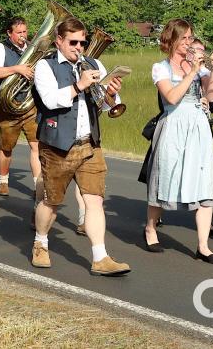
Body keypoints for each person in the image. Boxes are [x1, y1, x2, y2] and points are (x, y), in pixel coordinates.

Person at [30, 17, 130, 275]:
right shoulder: (45, 66)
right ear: (59, 41)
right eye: (73, 42)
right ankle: (41, 242)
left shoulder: (94, 64)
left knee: (94, 200)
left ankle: (100, 257)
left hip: (90, 143)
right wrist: (79, 85)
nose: (79, 47)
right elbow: (51, 101)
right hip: (58, 145)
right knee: (52, 202)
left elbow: (106, 106)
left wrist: (111, 93)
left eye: (82, 42)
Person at [143, 19, 213, 264]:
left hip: (198, 126)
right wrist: (192, 72)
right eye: (185, 38)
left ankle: (202, 245)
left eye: (191, 38)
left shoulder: (198, 66)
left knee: (204, 179)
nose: (189, 43)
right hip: (173, 125)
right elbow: (172, 97)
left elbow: (211, 96)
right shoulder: (161, 68)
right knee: (164, 177)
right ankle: (150, 228)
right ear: (172, 40)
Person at [0, 16, 40, 197]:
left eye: (25, 31)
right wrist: (17, 69)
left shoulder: (33, 49)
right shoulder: (0, 48)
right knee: (6, 146)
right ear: (9, 33)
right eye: (19, 33)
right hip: (7, 106)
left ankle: (38, 186)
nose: (23, 36)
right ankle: (3, 181)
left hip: (30, 104)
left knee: (37, 145)